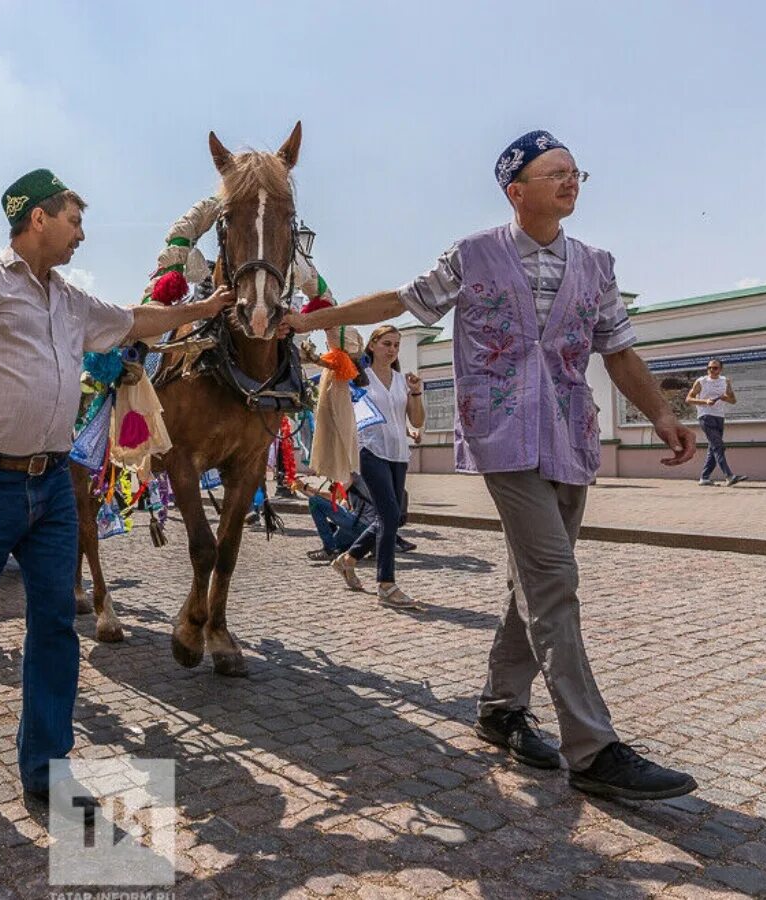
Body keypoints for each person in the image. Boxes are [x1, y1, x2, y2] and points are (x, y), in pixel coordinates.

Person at [288, 130, 700, 801]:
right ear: (516, 190)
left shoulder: (596, 265)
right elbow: (398, 303)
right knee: (555, 577)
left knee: (532, 585)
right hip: (504, 435)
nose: (570, 181)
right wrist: (310, 324)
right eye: (554, 173)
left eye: (575, 172)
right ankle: (593, 748)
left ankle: (501, 706)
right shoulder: (475, 255)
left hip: (570, 437)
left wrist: (661, 414)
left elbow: (619, 350)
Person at [0, 168, 232, 804]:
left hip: (50, 485)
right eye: (75, 221)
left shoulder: (73, 301)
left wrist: (205, 308)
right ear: (38, 219)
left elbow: (134, 320)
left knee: (54, 623)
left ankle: (45, 766)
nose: (82, 235)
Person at [329, 325, 426, 608]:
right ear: (372, 345)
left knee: (390, 517)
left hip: (398, 452)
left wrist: (416, 393)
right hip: (369, 450)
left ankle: (348, 559)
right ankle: (386, 584)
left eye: (396, 344)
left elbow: (416, 421)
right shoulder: (360, 378)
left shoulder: (401, 380)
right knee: (389, 513)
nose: (392, 349)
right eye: (386, 343)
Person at [687, 358, 746, 486]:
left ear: (720, 369)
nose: (712, 370)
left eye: (715, 368)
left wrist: (727, 397)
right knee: (718, 445)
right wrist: (705, 402)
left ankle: (704, 477)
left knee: (713, 447)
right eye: (709, 368)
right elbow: (689, 399)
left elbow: (733, 400)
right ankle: (729, 476)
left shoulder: (725, 381)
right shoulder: (701, 381)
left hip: (719, 417)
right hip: (705, 416)